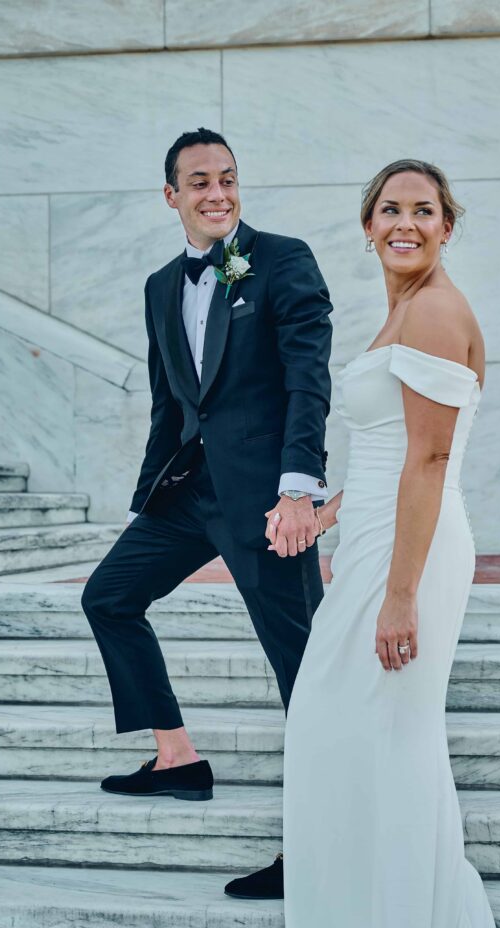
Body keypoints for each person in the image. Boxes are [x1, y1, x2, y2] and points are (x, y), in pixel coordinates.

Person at [281, 159, 500, 928]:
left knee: (399, 742)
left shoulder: (439, 310)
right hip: (377, 539)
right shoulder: (403, 308)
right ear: (367, 224)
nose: (404, 222)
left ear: (447, 225)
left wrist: (400, 596)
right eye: (389, 208)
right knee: (338, 728)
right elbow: (387, 451)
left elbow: (431, 459)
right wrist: (326, 512)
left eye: (423, 210)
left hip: (411, 557)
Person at [81, 128, 332, 816]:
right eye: (199, 182)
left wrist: (297, 489)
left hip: (265, 499)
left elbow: (307, 379)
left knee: (300, 662)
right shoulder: (161, 285)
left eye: (227, 178)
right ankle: (176, 757)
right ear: (172, 195)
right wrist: (146, 506)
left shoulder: (281, 260)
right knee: (108, 597)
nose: (216, 193)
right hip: (187, 494)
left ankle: (321, 829)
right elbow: (170, 404)